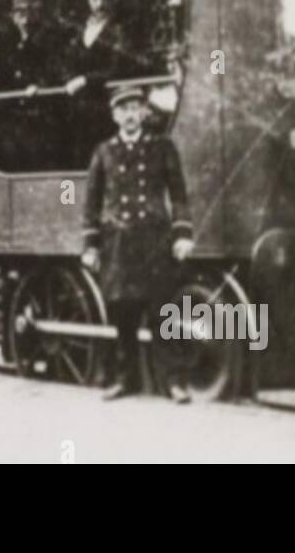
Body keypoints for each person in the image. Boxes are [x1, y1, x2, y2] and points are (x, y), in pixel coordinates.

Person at [81, 83, 195, 400]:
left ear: (144, 112)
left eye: (135, 109)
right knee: (123, 314)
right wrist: (90, 245)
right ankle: (124, 379)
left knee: (163, 311)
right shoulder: (103, 152)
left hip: (155, 240)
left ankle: (174, 381)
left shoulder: (163, 147)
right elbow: (91, 202)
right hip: (118, 242)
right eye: (123, 110)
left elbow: (179, 195)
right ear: (114, 115)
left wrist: (183, 234)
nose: (130, 116)